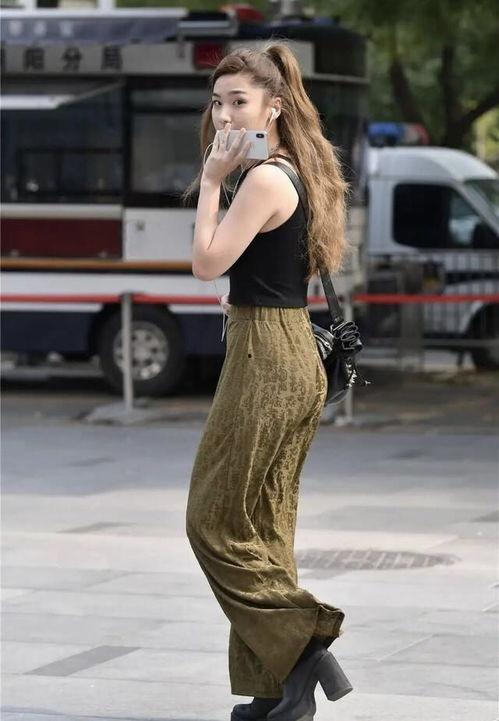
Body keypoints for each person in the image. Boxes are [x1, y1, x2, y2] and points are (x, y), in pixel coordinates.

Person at [183, 41, 353, 721]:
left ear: (274, 107)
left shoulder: (260, 180)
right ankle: (278, 690)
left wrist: (209, 180)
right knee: (263, 523)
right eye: (217, 102)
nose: (224, 115)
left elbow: (206, 262)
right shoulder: (291, 170)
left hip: (267, 355)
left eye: (239, 101)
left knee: (211, 520)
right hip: (284, 347)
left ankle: (305, 639)